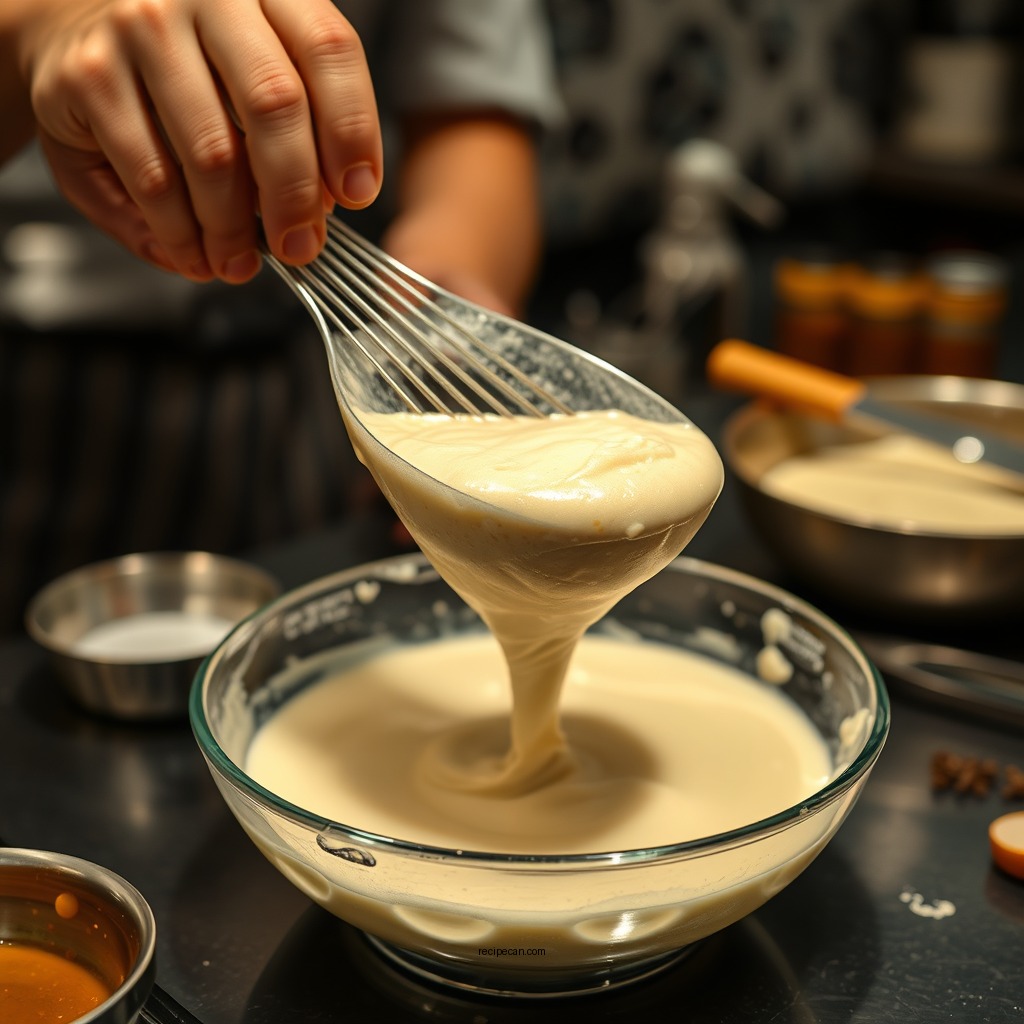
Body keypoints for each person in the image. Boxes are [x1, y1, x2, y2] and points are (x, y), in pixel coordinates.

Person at [0, 1, 562, 632]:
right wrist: (35, 32)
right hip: (37, 397)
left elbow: (469, 111)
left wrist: (444, 303)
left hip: (318, 376)